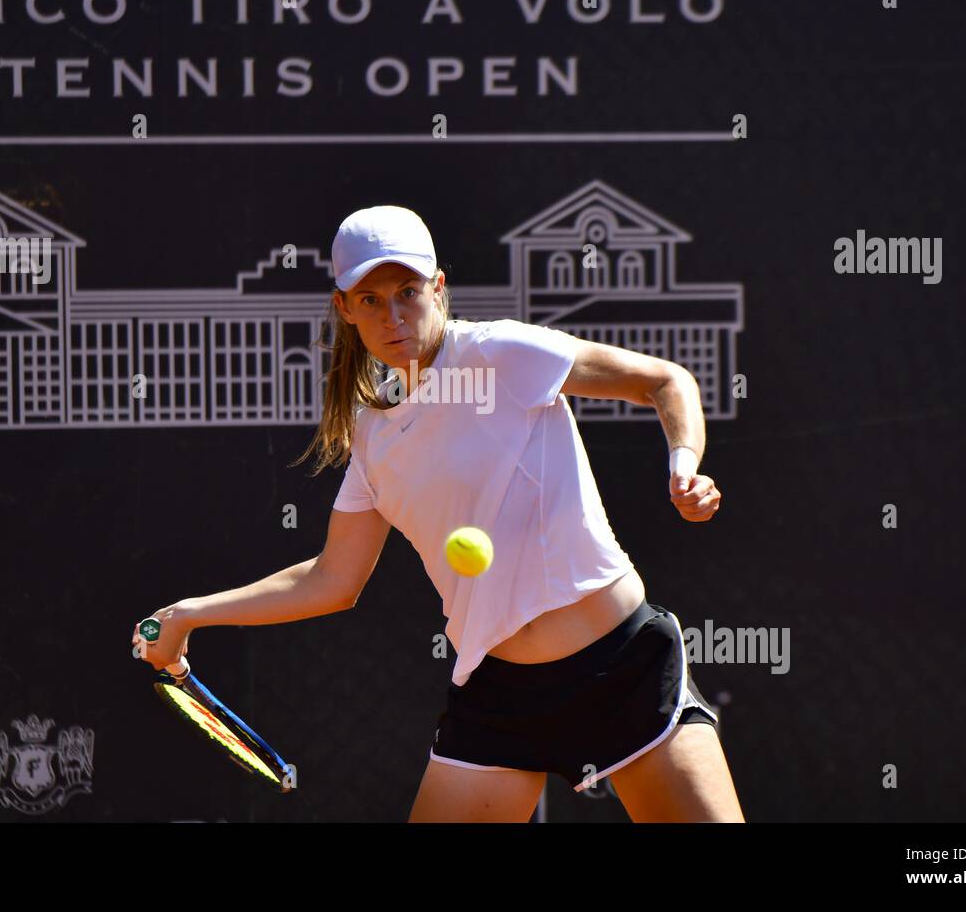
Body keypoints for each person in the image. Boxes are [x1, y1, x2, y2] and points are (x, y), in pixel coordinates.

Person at [134, 205, 745, 823]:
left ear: (438, 287)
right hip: (500, 700)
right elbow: (332, 580)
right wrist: (189, 614)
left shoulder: (501, 352)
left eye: (407, 292)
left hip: (621, 669)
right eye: (370, 300)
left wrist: (683, 465)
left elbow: (664, 381)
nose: (393, 316)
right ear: (344, 308)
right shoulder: (372, 437)